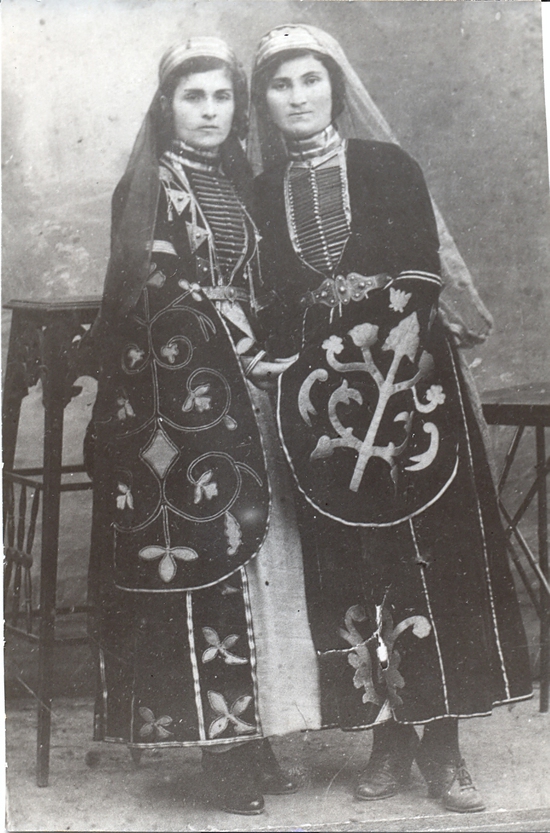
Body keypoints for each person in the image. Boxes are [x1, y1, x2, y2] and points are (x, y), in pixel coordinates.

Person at [249, 24, 533, 814]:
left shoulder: (387, 166)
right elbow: (272, 301)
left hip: (412, 392)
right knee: (352, 563)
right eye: (281, 84)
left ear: (335, 87)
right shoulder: (262, 192)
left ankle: (444, 750)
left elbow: (421, 273)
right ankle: (386, 742)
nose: (298, 97)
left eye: (311, 80)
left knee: (430, 560)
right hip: (323, 409)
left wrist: (394, 338)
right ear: (263, 101)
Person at [87, 37, 321, 817]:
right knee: (215, 558)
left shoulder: (238, 183)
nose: (211, 112)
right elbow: (155, 293)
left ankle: (257, 737)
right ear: (167, 107)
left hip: (245, 395)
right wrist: (242, 348)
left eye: (223, 97)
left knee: (260, 559)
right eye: (195, 97)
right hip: (183, 406)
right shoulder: (148, 186)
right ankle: (222, 752)